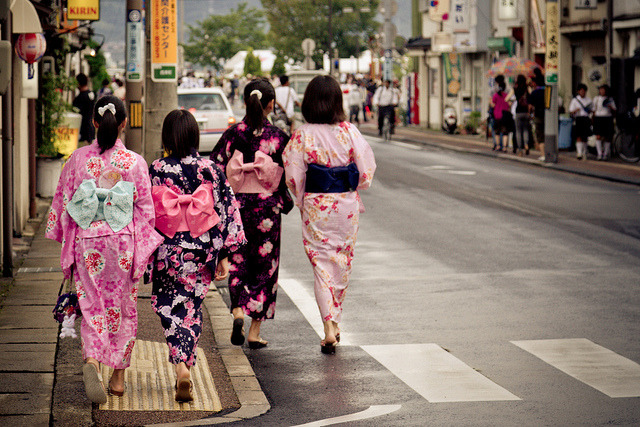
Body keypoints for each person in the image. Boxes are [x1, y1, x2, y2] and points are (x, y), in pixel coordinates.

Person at [45, 95, 163, 403]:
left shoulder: (78, 159)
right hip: (122, 242)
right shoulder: (134, 163)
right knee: (122, 307)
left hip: (88, 241)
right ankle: (119, 378)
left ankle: (92, 361)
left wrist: (66, 241)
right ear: (123, 123)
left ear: (94, 122)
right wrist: (141, 252)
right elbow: (145, 213)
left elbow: (64, 203)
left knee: (92, 306)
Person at [148, 109, 246, 402]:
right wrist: (225, 254)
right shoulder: (212, 169)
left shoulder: (157, 169)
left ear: (167, 136)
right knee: (192, 307)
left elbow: (145, 211)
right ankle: (185, 364)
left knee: (168, 305)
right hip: (202, 249)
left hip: (169, 249)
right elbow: (227, 211)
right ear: (194, 135)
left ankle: (180, 365)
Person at [282, 75, 376, 354]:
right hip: (345, 205)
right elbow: (366, 169)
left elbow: (293, 176)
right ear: (338, 101)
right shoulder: (349, 131)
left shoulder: (303, 134)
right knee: (342, 262)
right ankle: (335, 320)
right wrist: (352, 187)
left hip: (317, 204)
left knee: (321, 264)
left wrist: (301, 200)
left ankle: (328, 327)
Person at [210, 78, 293, 349]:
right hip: (267, 209)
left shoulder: (234, 134)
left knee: (236, 260)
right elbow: (289, 173)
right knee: (265, 267)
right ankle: (255, 331)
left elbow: (215, 166)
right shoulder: (278, 137)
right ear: (270, 104)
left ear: (247, 102)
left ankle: (237, 311)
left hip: (237, 207)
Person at [592, 84, 617, 160]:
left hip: (608, 118)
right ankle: (599, 154)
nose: (602, 91)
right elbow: (593, 110)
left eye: (603, 90)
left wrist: (610, 107)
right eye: (600, 89)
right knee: (598, 136)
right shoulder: (596, 99)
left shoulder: (610, 99)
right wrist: (592, 119)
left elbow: (615, 109)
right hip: (598, 118)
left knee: (608, 137)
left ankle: (605, 154)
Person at [569, 83, 593, 160]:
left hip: (586, 119)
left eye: (584, 91)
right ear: (578, 91)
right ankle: (579, 152)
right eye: (581, 91)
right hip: (578, 119)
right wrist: (576, 110)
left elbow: (592, 110)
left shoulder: (589, 100)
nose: (583, 92)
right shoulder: (575, 100)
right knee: (578, 136)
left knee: (585, 136)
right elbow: (571, 111)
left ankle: (584, 152)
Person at [73, 73, 96, 147]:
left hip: (82, 129)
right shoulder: (91, 94)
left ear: (78, 83)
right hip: (91, 127)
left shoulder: (79, 98)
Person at [490, 79, 512, 152]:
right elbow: (509, 104)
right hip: (505, 115)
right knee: (505, 132)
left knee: (497, 132)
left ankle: (498, 146)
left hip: (497, 115)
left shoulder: (495, 95)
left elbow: (493, 105)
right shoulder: (506, 95)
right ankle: (505, 147)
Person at [528, 71, 546, 161]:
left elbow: (530, 106)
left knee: (540, 136)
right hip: (549, 117)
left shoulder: (534, 93)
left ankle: (543, 155)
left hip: (538, 116)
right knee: (548, 135)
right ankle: (550, 153)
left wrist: (530, 115)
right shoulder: (548, 90)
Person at [513, 74, 532, 156]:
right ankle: (526, 145)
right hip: (526, 112)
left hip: (518, 112)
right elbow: (530, 99)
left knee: (518, 131)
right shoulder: (527, 88)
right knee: (525, 130)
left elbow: (507, 98)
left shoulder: (515, 89)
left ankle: (520, 150)